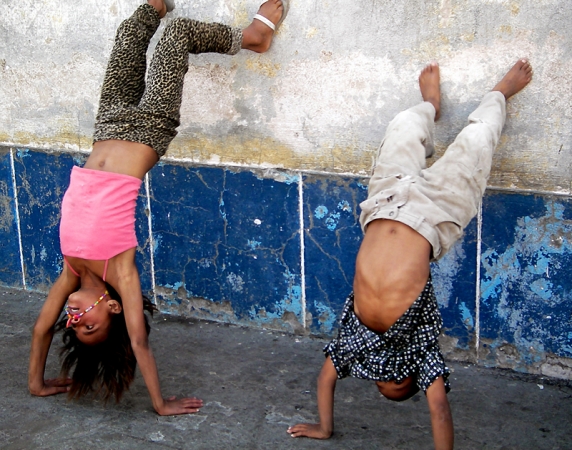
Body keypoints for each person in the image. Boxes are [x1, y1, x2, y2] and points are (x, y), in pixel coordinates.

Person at [28, 0, 289, 416]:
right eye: (89, 325)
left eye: (74, 327)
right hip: (149, 128)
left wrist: (37, 383)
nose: (75, 319)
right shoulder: (121, 273)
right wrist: (160, 403)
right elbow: (139, 344)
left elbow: (42, 328)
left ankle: (156, 5)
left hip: (108, 125)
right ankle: (253, 38)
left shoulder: (71, 271)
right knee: (176, 36)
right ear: (112, 308)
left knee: (130, 37)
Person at [287, 59, 533, 448]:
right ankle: (498, 94)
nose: (385, 375)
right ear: (412, 378)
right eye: (396, 383)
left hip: (385, 201)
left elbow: (326, 379)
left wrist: (324, 428)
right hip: (435, 215)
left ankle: (429, 106)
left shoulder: (354, 344)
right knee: (476, 143)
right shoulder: (420, 351)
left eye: (381, 382)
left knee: (402, 126)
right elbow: (438, 411)